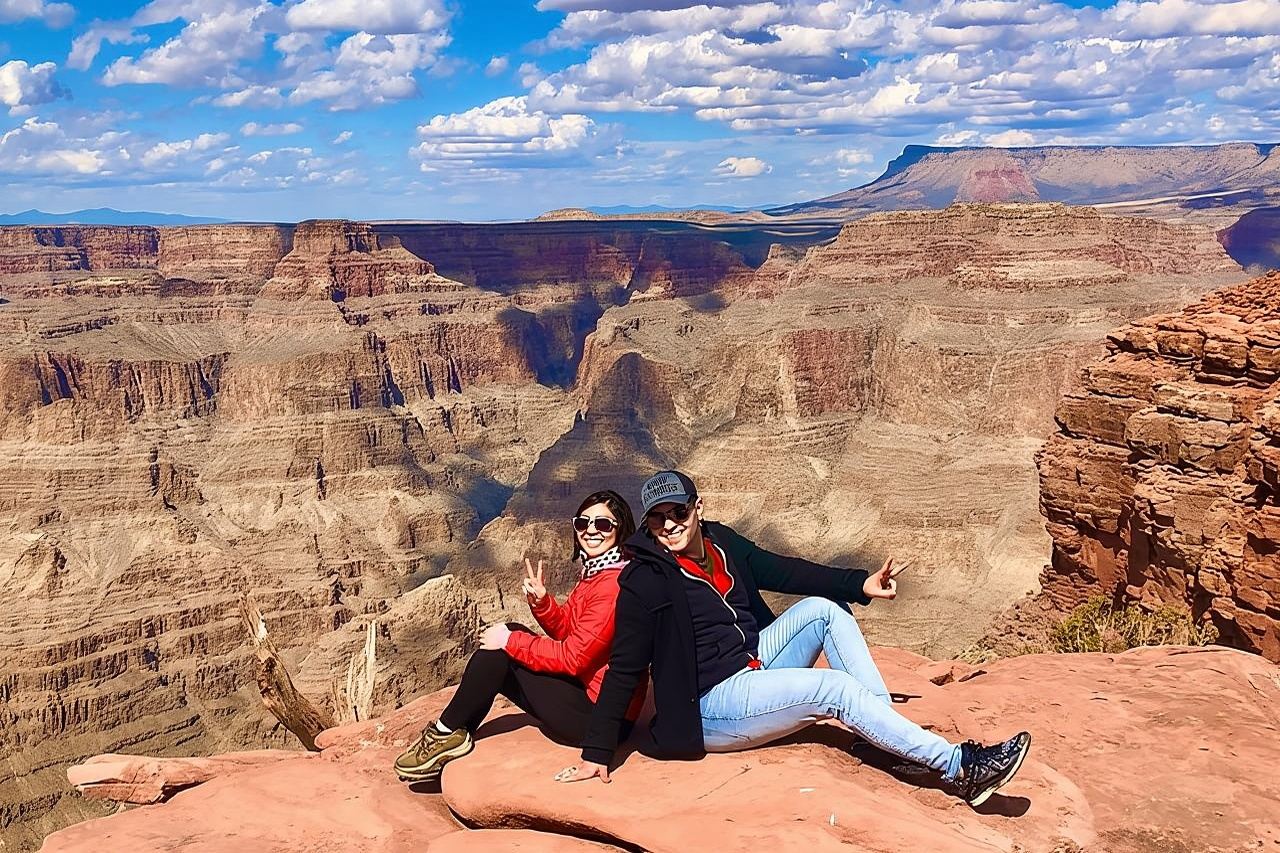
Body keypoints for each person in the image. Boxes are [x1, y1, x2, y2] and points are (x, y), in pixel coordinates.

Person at [555, 471, 1030, 807]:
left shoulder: (721, 542)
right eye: (657, 519)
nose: (670, 525)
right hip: (712, 704)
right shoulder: (646, 578)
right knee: (834, 689)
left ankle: (884, 736)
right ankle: (960, 769)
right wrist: (597, 754)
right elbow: (627, 664)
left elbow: (782, 569)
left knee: (824, 612)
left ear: (698, 509)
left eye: (678, 511)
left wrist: (858, 583)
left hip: (753, 661)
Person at [394, 489, 646, 782]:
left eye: (603, 524)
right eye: (583, 522)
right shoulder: (599, 571)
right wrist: (543, 603)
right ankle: (454, 733)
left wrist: (510, 643)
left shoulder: (611, 585)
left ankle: (445, 733)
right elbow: (571, 634)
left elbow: (573, 658)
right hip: (588, 694)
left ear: (621, 529)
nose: (591, 531)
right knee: (512, 633)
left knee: (503, 651)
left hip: (599, 718)